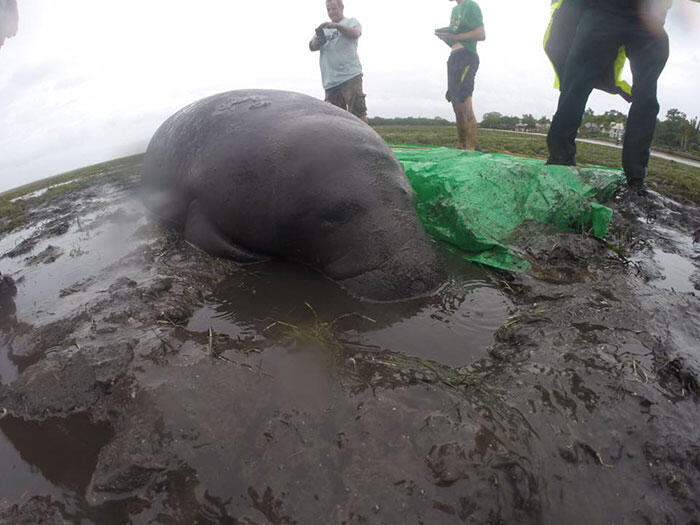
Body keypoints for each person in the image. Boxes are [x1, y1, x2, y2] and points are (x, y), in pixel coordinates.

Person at [546, 0, 671, 196]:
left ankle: (636, 177)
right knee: (576, 83)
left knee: (646, 96)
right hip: (603, 9)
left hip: (651, 19)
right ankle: (560, 157)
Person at [435, 0, 485, 150]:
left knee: (464, 102)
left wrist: (455, 37)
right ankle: (461, 145)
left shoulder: (471, 5)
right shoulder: (455, 10)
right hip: (454, 56)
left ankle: (470, 148)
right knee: (455, 103)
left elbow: (481, 34)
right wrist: (447, 37)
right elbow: (457, 36)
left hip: (467, 56)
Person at [309, 0, 368, 123]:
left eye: (334, 9)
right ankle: (342, 143)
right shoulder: (323, 29)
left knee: (358, 113)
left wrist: (337, 26)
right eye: (328, 10)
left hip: (350, 76)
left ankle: (364, 142)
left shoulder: (351, 22)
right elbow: (311, 46)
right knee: (335, 119)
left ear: (341, 7)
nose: (331, 12)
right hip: (330, 81)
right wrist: (317, 42)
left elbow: (356, 33)